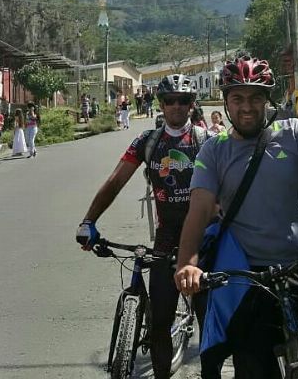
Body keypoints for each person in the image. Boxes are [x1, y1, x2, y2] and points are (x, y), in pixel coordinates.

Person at [174, 55, 298, 379]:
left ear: (268, 99)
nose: (247, 106)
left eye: (255, 97)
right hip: (248, 278)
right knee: (253, 369)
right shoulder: (214, 150)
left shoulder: (295, 132)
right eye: (237, 98)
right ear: (225, 102)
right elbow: (198, 212)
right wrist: (188, 263)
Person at [76, 74, 210, 379]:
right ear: (160, 105)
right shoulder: (148, 143)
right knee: (160, 321)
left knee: (209, 322)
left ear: (192, 105)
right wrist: (89, 221)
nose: (177, 106)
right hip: (165, 237)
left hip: (205, 240)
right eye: (170, 101)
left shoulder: (208, 142)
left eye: (184, 100)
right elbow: (115, 181)